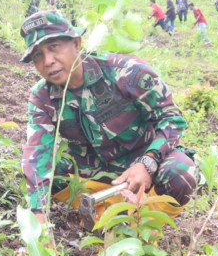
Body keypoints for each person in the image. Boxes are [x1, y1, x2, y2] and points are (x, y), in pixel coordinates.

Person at [19, 11, 199, 226]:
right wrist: (38, 220)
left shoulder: (126, 72)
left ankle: (143, 224)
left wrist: (148, 162)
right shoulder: (42, 97)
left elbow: (171, 118)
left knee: (181, 173)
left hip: (142, 162)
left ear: (76, 43)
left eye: (54, 47)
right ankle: (103, 214)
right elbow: (37, 155)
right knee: (41, 174)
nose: (48, 61)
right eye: (38, 55)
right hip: (91, 170)